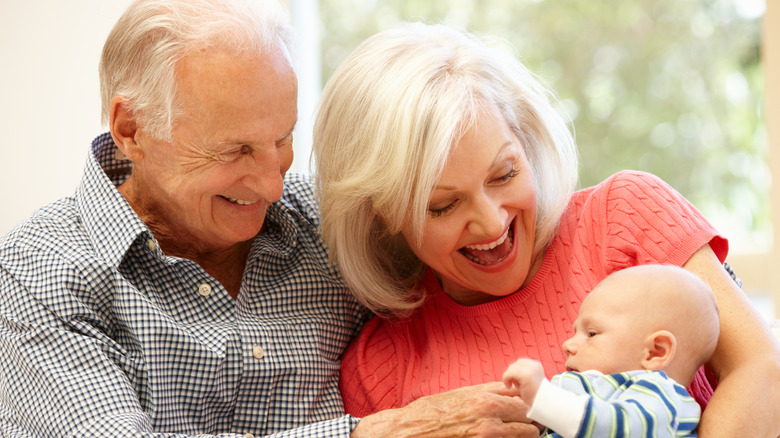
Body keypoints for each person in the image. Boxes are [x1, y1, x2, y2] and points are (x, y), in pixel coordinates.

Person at [0, 2, 534, 437]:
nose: (273, 185)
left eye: (282, 140)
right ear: (132, 129)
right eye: (235, 151)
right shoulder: (39, 272)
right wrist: (373, 435)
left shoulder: (324, 224)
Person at [313, 22, 780, 437]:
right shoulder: (380, 369)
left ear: (524, 138)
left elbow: (760, 368)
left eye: (504, 174)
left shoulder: (624, 216)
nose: (493, 221)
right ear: (384, 215)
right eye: (443, 205)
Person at [503, 264, 720, 437]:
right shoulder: (588, 387)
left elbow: (618, 428)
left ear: (655, 352)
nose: (567, 345)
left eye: (591, 334)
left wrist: (543, 398)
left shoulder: (662, 397)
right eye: (575, 331)